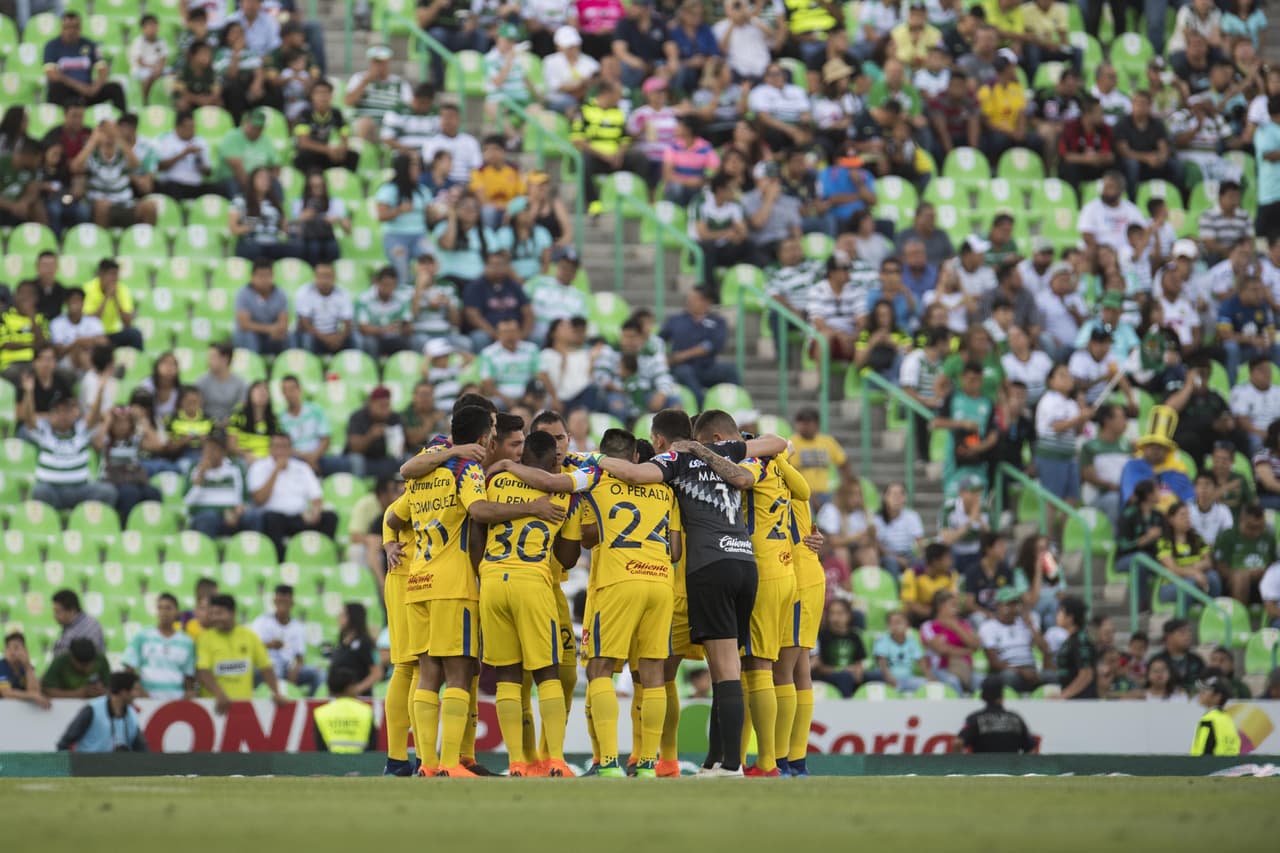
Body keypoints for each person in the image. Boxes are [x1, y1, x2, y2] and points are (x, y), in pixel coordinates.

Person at [589, 409, 787, 777]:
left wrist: (587, 458)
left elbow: (632, 472)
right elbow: (779, 442)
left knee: (725, 670)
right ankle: (716, 761)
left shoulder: (674, 458)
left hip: (709, 566)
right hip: (745, 562)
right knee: (725, 669)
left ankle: (731, 766)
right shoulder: (729, 450)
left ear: (659, 440)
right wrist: (713, 451)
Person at [247, 432, 339, 560]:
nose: (281, 451)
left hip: (300, 517)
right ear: (270, 448)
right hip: (274, 517)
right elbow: (259, 500)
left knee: (330, 517)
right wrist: (276, 471)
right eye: (277, 446)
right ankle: (279, 561)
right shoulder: (259, 467)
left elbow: (316, 497)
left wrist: (315, 511)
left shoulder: (302, 468)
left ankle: (322, 558)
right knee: (271, 519)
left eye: (285, 447)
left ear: (291, 449)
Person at [196, 594, 286, 714]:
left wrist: (276, 693)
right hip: (214, 708)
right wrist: (219, 694)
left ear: (232, 613)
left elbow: (266, 667)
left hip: (243, 708)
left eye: (219, 613)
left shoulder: (249, 636)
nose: (214, 618)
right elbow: (203, 671)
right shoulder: (204, 638)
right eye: (212, 614)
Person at [659, 287, 739, 408]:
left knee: (730, 370)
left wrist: (683, 355)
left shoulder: (717, 321)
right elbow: (659, 340)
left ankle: (738, 406)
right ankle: (702, 407)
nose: (689, 301)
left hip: (706, 367)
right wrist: (665, 358)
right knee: (684, 372)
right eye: (689, 298)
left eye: (693, 299)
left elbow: (713, 345)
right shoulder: (676, 320)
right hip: (681, 367)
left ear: (706, 302)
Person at [43, 11, 127, 111]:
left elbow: (103, 69)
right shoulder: (52, 46)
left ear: (80, 28)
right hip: (68, 92)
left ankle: (122, 122)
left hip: (89, 91)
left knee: (115, 88)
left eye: (75, 27)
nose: (71, 31)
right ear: (61, 28)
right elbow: (52, 74)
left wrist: (95, 87)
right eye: (67, 28)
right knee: (56, 88)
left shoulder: (89, 45)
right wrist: (79, 86)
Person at [121, 592, 196, 700]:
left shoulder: (187, 642)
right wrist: (139, 691)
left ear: (176, 612)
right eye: (160, 608)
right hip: (147, 700)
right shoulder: (142, 636)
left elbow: (189, 675)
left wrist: (187, 694)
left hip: (176, 700)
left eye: (168, 608)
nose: (164, 612)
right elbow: (129, 668)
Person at [252, 584, 322, 697]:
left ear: (292, 602)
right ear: (274, 601)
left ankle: (310, 705)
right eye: (280, 598)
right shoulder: (261, 622)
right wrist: (270, 645)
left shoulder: (298, 627)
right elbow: (252, 648)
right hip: (266, 666)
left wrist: (296, 669)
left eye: (286, 599)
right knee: (272, 670)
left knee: (318, 674)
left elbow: (300, 658)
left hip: (288, 669)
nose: (283, 603)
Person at [55, 671, 147, 753]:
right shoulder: (92, 710)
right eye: (135, 690)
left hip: (117, 768)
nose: (138, 694)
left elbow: (141, 748)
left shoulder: (131, 714)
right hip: (88, 768)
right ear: (124, 692)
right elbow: (64, 743)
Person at [980, 587, 1050, 693]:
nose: (1013, 607)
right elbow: (994, 663)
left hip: (1031, 669)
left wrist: (1031, 626)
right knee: (1010, 677)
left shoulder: (1026, 623)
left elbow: (1045, 649)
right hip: (1009, 671)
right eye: (1009, 604)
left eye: (1015, 604)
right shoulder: (989, 627)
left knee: (1052, 676)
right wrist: (1022, 672)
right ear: (998, 605)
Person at [954, 675, 1037, 753]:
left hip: (983, 767)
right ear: (1002, 695)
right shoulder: (1016, 718)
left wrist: (963, 764)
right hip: (1010, 767)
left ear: (982, 696)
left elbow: (958, 743)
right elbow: (1031, 749)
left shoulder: (975, 719)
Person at [812, 599, 867, 699]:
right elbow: (820, 667)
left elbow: (859, 662)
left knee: (877, 676)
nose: (835, 618)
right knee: (845, 677)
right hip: (829, 675)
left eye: (839, 613)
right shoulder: (822, 636)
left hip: (851, 673)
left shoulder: (855, 636)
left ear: (848, 615)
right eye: (832, 613)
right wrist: (843, 670)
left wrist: (858, 672)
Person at [313, 667, 377, 753]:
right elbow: (372, 746)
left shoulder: (320, 713)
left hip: (331, 764)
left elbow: (321, 749)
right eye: (355, 685)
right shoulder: (366, 710)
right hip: (361, 764)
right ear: (349, 688)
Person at [871, 609, 931, 694]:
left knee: (928, 686)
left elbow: (921, 661)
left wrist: (929, 676)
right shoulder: (883, 640)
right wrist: (889, 678)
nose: (896, 626)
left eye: (899, 622)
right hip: (888, 679)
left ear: (907, 625)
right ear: (888, 626)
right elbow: (882, 663)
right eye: (892, 623)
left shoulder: (912, 641)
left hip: (908, 679)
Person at [194, 342, 248, 425]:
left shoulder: (240, 383)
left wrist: (230, 420)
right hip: (205, 424)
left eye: (212, 357)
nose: (208, 361)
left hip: (232, 425)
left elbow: (242, 406)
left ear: (225, 359)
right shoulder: (201, 381)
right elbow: (196, 407)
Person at [1055, 595, 1096, 699]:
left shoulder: (1081, 641)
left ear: (1070, 617)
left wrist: (1063, 696)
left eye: (1060, 612)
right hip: (1071, 699)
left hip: (1081, 702)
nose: (1057, 615)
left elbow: (1086, 674)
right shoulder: (1070, 640)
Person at [1189, 674, 1242, 756]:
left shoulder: (1208, 720)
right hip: (1228, 767)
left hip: (1208, 767)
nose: (1200, 693)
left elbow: (1201, 752)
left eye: (1205, 691)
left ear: (1217, 696)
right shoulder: (1228, 720)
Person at [41, 637, 111, 699]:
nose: (86, 669)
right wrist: (77, 694)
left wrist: (102, 692)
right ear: (72, 657)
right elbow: (47, 690)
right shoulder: (61, 661)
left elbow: (110, 689)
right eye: (82, 665)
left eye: (89, 665)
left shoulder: (101, 660)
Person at [0, 632, 51, 709]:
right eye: (8, 648)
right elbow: (6, 693)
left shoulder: (27, 668)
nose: (11, 652)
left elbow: (35, 691)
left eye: (16, 648)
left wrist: (27, 666)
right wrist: (31, 695)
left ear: (25, 650)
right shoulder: (2, 666)